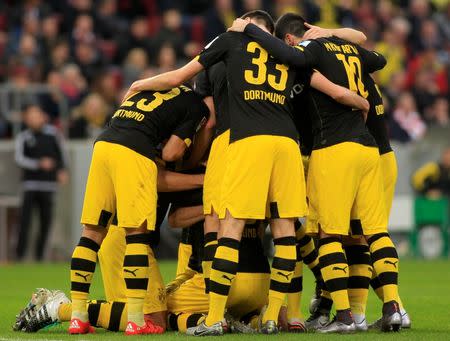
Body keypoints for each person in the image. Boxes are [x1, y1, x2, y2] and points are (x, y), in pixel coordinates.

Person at [128, 9, 369, 335]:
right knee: (286, 230)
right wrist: (362, 103)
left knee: (230, 224)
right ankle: (277, 315)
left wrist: (138, 84)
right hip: (287, 143)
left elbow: (176, 78)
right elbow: (336, 86)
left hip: (246, 139)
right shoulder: (290, 55)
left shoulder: (229, 43)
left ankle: (214, 317)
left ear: (242, 27)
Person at [229, 13, 401, 333]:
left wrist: (250, 30)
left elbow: (296, 58)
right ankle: (393, 307)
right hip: (368, 149)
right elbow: (377, 58)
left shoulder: (308, 52)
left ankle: (344, 316)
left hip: (332, 149)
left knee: (328, 235)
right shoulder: (344, 47)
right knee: (373, 233)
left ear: (291, 40)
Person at [68, 85, 210, 335]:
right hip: (123, 236)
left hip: (103, 144)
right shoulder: (196, 107)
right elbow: (170, 153)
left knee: (90, 232)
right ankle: (63, 309)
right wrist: (204, 178)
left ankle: (77, 315)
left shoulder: (157, 92)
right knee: (155, 317)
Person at [15, 104, 68, 261]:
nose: (34, 118)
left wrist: (62, 170)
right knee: (24, 222)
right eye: (31, 116)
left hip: (48, 185)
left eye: (37, 115)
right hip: (30, 185)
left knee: (46, 222)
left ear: (43, 116)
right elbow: (19, 159)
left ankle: (40, 256)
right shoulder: (23, 137)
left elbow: (62, 156)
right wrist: (38, 163)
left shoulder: (53, 135)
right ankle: (20, 256)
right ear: (26, 119)